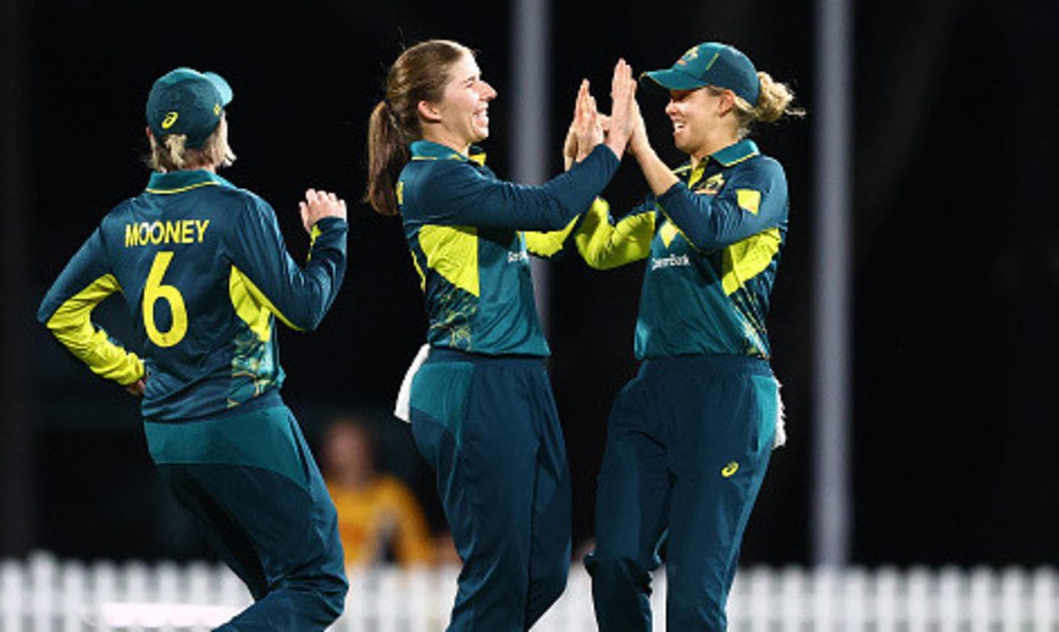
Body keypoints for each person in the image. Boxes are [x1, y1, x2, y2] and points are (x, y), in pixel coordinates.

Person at [37, 67, 349, 631]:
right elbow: (304, 308)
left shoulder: (120, 224)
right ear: (218, 131)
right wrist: (330, 239)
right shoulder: (237, 211)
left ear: (152, 135)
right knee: (316, 585)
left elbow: (57, 313)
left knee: (278, 597)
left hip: (170, 439)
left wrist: (130, 371)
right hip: (243, 423)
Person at [365, 38, 636, 630]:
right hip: (473, 381)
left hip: (516, 379)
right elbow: (542, 211)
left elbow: (545, 230)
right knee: (498, 575)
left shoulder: (464, 180)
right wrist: (611, 151)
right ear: (431, 110)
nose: (488, 91)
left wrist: (577, 168)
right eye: (471, 82)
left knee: (542, 572)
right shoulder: (431, 178)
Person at [574, 41, 802, 630]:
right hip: (652, 391)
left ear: (725, 102)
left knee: (696, 597)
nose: (669, 108)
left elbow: (708, 228)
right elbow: (600, 250)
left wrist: (640, 149)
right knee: (616, 562)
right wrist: (585, 172)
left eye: (682, 95)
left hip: (726, 392)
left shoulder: (761, 175)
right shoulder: (674, 184)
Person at [320, 417, 434, 568]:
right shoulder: (317, 496)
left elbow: (416, 554)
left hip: (372, 585)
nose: (345, 455)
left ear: (368, 449)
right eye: (338, 449)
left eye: (352, 447)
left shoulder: (391, 495)